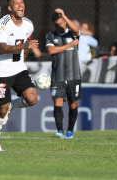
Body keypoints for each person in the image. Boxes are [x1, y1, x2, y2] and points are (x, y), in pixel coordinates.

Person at [0, 0, 38, 151]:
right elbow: (1, 49)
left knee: (32, 98)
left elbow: (28, 44)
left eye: (22, 2)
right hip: (2, 71)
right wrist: (24, 46)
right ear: (10, 8)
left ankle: (12, 105)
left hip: (19, 69)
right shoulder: (2, 24)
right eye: (16, 3)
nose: (20, 5)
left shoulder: (28, 24)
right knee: (1, 110)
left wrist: (22, 60)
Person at [46, 8, 81, 139]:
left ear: (65, 22)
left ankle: (70, 131)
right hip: (58, 76)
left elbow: (77, 30)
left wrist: (64, 15)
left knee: (73, 104)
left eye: (61, 23)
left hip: (74, 75)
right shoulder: (50, 35)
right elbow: (51, 51)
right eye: (57, 24)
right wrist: (70, 45)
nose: (60, 26)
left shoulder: (73, 34)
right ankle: (60, 131)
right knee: (57, 102)